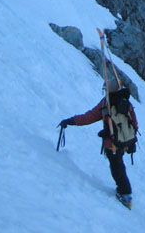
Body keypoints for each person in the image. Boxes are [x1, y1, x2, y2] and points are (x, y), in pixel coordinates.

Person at [58, 80, 138, 209]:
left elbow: (88, 117)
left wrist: (70, 121)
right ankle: (124, 191)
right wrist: (130, 140)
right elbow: (134, 123)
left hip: (111, 142)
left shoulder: (106, 104)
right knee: (119, 165)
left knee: (117, 168)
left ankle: (125, 194)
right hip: (124, 142)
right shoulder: (126, 102)